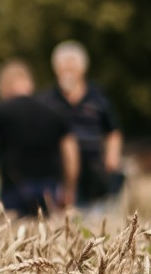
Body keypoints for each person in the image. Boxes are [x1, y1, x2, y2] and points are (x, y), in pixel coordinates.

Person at [0, 61, 78, 217]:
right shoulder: (54, 112)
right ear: (30, 84)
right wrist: (69, 189)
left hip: (13, 191)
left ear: (4, 86)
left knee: (15, 228)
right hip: (49, 191)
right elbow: (71, 157)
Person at [44, 42, 124, 217]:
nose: (68, 71)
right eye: (64, 67)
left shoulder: (98, 97)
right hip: (59, 173)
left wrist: (112, 158)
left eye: (72, 67)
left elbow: (113, 131)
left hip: (93, 171)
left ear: (83, 69)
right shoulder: (47, 101)